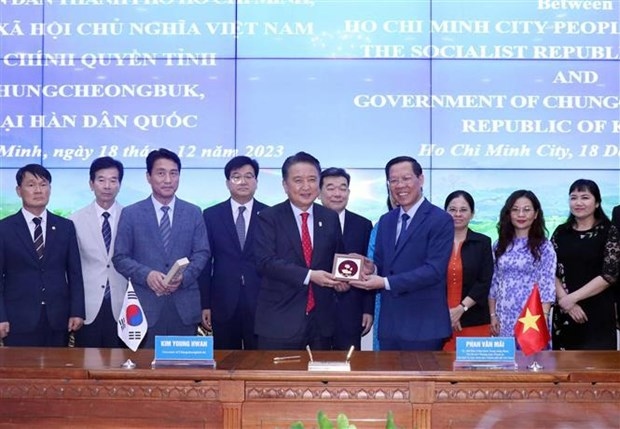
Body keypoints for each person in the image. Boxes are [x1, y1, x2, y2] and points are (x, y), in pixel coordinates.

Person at [350, 156, 454, 351]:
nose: (400, 185)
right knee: (393, 381)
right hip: (390, 326)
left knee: (423, 381)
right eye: (394, 181)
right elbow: (383, 264)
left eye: (406, 178)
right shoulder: (386, 221)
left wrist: (384, 282)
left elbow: (434, 270)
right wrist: (371, 267)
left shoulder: (440, 220)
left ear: (420, 179)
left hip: (424, 326)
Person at [113, 148, 209, 348]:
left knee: (184, 373)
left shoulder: (193, 212)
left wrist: (184, 277)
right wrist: (146, 275)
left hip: (184, 308)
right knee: (145, 373)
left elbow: (202, 253)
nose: (168, 180)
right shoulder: (131, 213)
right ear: (148, 177)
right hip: (145, 310)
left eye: (173, 173)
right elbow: (120, 257)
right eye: (161, 173)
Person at [254, 151, 348, 350]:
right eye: (298, 180)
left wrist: (347, 276)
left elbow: (336, 259)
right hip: (280, 322)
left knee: (319, 381)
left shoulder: (330, 217)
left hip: (321, 324)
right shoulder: (268, 217)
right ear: (285, 185)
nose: (306, 187)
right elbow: (265, 262)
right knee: (279, 380)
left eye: (312, 180)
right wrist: (310, 275)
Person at [0, 164, 84, 346]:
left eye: (43, 184)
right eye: (31, 185)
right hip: (18, 319)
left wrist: (77, 311)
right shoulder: (4, 228)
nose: (38, 190)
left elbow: (75, 273)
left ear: (50, 189)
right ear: (18, 190)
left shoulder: (65, 227)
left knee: (58, 372)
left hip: (58, 318)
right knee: (21, 372)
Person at [199, 156, 268, 350]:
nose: (243, 181)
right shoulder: (211, 215)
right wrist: (205, 304)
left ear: (256, 182)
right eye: (236, 177)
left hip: (261, 302)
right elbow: (205, 262)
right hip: (223, 302)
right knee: (226, 362)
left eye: (249, 176)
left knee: (259, 361)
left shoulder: (269, 215)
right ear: (228, 183)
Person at [551, 179, 619, 350]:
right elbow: (548, 269)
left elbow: (609, 274)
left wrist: (572, 299)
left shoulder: (609, 231)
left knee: (597, 370)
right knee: (563, 370)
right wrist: (564, 301)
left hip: (597, 311)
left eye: (585, 197)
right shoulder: (561, 231)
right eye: (573, 198)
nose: (578, 202)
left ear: (597, 203)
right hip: (565, 311)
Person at [70, 157, 127, 348]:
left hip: (123, 305)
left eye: (113, 180)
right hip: (87, 306)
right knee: (87, 364)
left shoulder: (131, 217)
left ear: (119, 184)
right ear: (91, 184)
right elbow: (70, 268)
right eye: (101, 180)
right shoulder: (74, 220)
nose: (107, 186)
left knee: (121, 366)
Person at [489, 190, 556, 343]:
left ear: (536, 214)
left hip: (532, 317)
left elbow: (547, 285)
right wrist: (493, 315)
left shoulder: (544, 247)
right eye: (515, 209)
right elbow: (494, 282)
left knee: (532, 362)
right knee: (507, 363)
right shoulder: (499, 245)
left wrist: (543, 318)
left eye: (527, 210)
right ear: (509, 213)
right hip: (504, 316)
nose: (521, 214)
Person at [319, 167, 373, 351]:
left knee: (350, 366)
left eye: (342, 188)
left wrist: (368, 309)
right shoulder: (307, 222)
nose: (337, 193)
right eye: (330, 188)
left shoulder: (363, 224)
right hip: (316, 310)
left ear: (349, 193)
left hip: (351, 308)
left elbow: (368, 268)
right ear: (319, 192)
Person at [442, 190, 493, 351]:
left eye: (463, 210)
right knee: (441, 370)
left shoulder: (483, 242)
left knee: (473, 371)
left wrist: (460, 309)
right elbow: (429, 278)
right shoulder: (435, 243)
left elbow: (484, 281)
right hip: (440, 318)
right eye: (452, 209)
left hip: (474, 318)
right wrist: (447, 314)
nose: (457, 214)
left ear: (472, 214)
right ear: (445, 212)